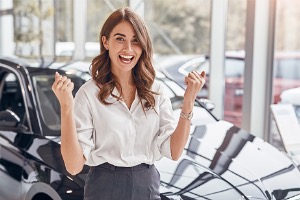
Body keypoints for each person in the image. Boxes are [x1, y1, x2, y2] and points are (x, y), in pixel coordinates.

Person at [52, 7, 205, 200]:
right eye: (120, 39)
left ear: (143, 46)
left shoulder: (156, 90)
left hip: (146, 185)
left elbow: (174, 152)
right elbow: (74, 166)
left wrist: (189, 101)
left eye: (135, 41)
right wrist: (66, 107)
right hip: (104, 187)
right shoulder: (89, 94)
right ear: (105, 42)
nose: (128, 49)